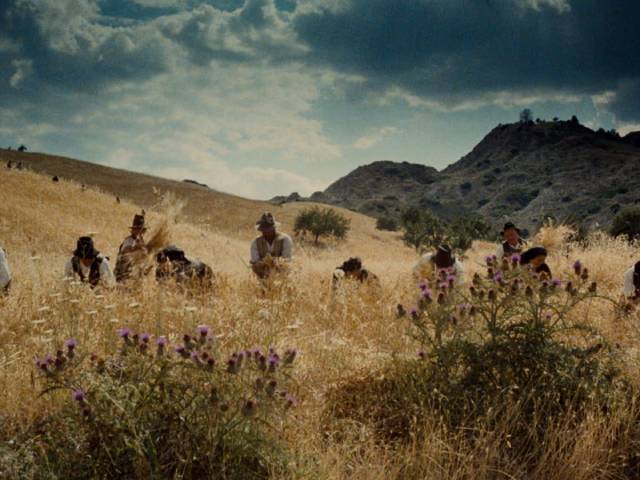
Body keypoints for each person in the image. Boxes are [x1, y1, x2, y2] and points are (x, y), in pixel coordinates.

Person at [250, 212, 293, 279]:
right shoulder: (255, 243)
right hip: (262, 278)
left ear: (274, 228)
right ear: (261, 230)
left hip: (282, 278)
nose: (267, 232)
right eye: (264, 230)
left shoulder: (285, 240)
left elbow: (286, 263)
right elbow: (255, 264)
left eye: (269, 229)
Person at [114, 213, 148, 282]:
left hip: (132, 275)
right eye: (138, 229)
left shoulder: (140, 241)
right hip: (122, 273)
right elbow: (126, 253)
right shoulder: (128, 241)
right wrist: (137, 248)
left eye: (141, 230)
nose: (140, 232)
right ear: (134, 230)